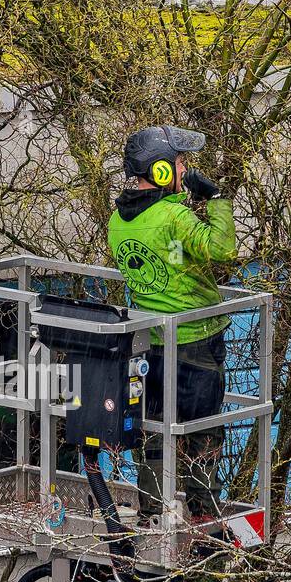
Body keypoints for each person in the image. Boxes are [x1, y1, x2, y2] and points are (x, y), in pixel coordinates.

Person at [107, 124, 237, 525]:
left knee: (156, 432)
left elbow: (173, 258)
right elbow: (223, 248)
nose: (185, 170)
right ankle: (204, 516)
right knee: (203, 433)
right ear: (161, 170)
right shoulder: (172, 216)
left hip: (153, 343)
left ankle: (152, 511)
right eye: (180, 164)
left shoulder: (119, 220)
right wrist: (213, 199)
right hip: (197, 341)